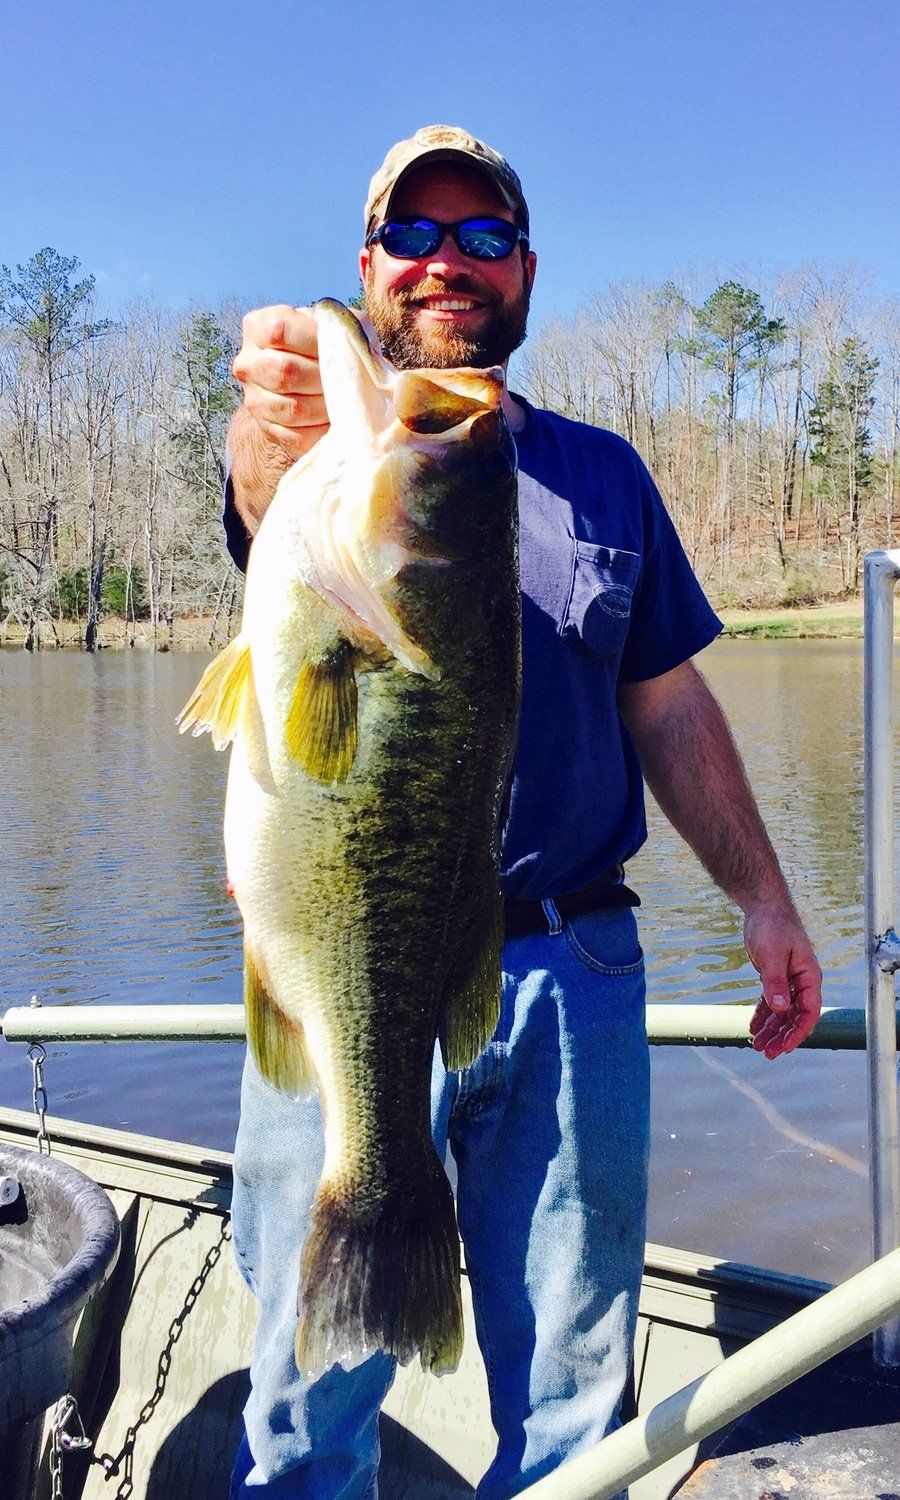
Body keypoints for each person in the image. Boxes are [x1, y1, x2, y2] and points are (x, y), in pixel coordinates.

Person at [222, 125, 823, 1500]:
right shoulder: (325, 458)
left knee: (575, 1384)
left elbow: (667, 705)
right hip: (344, 971)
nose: (449, 263)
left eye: (483, 237)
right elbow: (267, 499)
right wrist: (270, 427)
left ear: (527, 269)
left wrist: (766, 897)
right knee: (306, 1391)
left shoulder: (604, 474)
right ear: (368, 264)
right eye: (416, 237)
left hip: (573, 972)